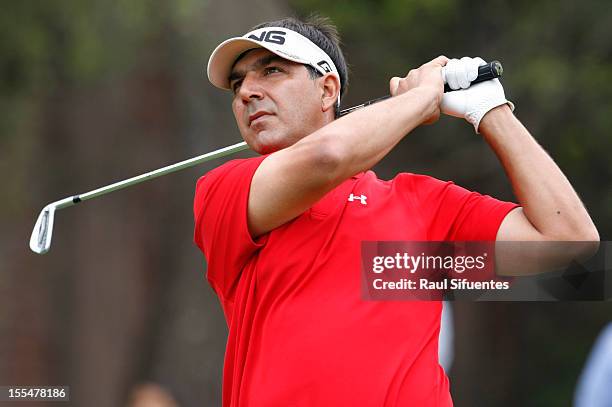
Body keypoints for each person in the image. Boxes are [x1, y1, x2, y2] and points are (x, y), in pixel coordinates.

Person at [193, 15, 598, 406]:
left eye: (271, 71)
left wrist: (490, 111)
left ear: (327, 90)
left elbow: (569, 245)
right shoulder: (224, 192)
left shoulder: (421, 205)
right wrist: (423, 98)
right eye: (237, 84)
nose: (247, 91)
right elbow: (330, 155)